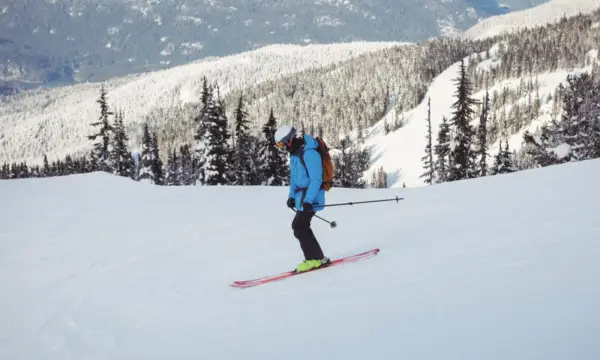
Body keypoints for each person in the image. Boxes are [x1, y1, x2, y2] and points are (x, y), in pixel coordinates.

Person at [274, 125, 330, 273]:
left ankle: (314, 259)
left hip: (312, 197)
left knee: (299, 226)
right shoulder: (295, 154)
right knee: (301, 226)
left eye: (281, 143)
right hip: (302, 198)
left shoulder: (309, 153)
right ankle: (317, 257)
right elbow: (294, 179)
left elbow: (316, 179)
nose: (281, 147)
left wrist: (308, 200)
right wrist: (291, 197)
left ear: (289, 140)